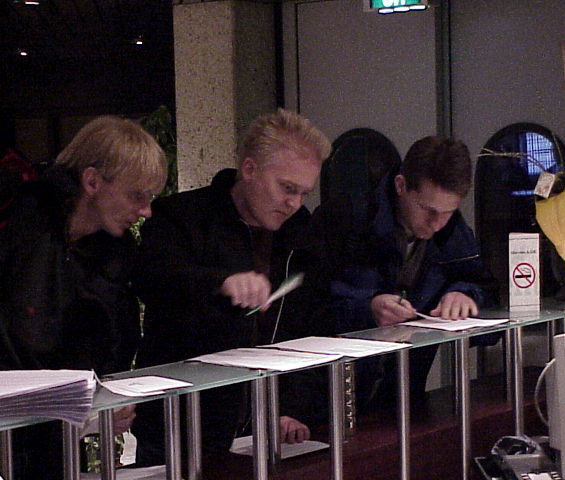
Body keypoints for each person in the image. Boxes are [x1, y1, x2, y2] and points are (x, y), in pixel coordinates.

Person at [131, 108, 333, 468]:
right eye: (287, 188)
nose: (294, 203)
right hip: (181, 424)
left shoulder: (302, 232)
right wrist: (220, 284)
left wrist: (291, 405)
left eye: (304, 193)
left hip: (267, 423)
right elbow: (152, 279)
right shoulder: (181, 215)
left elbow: (308, 326)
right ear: (249, 169)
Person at [0, 115, 168, 477]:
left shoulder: (115, 254)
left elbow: (112, 342)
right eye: (137, 195)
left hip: (52, 437)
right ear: (92, 181)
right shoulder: (17, 219)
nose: (146, 210)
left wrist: (104, 399)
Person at [315, 135, 496, 408]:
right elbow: (307, 309)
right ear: (400, 185)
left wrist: (465, 294)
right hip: (331, 397)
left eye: (448, 211)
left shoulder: (454, 232)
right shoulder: (344, 219)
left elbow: (490, 297)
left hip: (405, 400)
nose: (436, 223)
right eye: (427, 209)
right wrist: (368, 309)